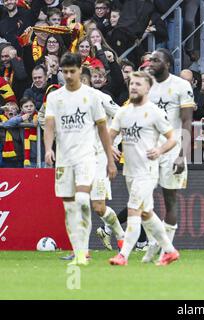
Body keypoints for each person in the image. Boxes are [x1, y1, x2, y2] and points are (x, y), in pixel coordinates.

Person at [44, 52, 117, 266]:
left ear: (79, 71)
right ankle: (78, 251)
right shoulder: (55, 97)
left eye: (72, 71)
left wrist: (110, 159)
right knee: (69, 207)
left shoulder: (92, 96)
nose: (68, 75)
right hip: (64, 159)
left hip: (87, 156)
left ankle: (83, 252)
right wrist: (48, 149)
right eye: (64, 71)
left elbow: (103, 128)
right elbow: (49, 125)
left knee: (84, 200)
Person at [108, 71, 179, 266]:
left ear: (148, 88)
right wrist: (110, 149)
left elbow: (173, 138)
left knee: (134, 209)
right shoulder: (123, 112)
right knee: (146, 213)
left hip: (147, 172)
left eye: (138, 84)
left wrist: (159, 149)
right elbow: (109, 135)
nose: (133, 87)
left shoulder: (154, 112)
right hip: (130, 171)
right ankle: (170, 251)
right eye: (131, 84)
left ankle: (123, 255)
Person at [141, 48, 195, 262]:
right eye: (150, 59)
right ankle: (159, 242)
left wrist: (183, 154)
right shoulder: (145, 84)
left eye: (156, 60)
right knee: (142, 200)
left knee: (170, 199)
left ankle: (164, 250)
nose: (151, 63)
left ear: (168, 64)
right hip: (147, 150)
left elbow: (187, 122)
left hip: (172, 149)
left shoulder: (181, 86)